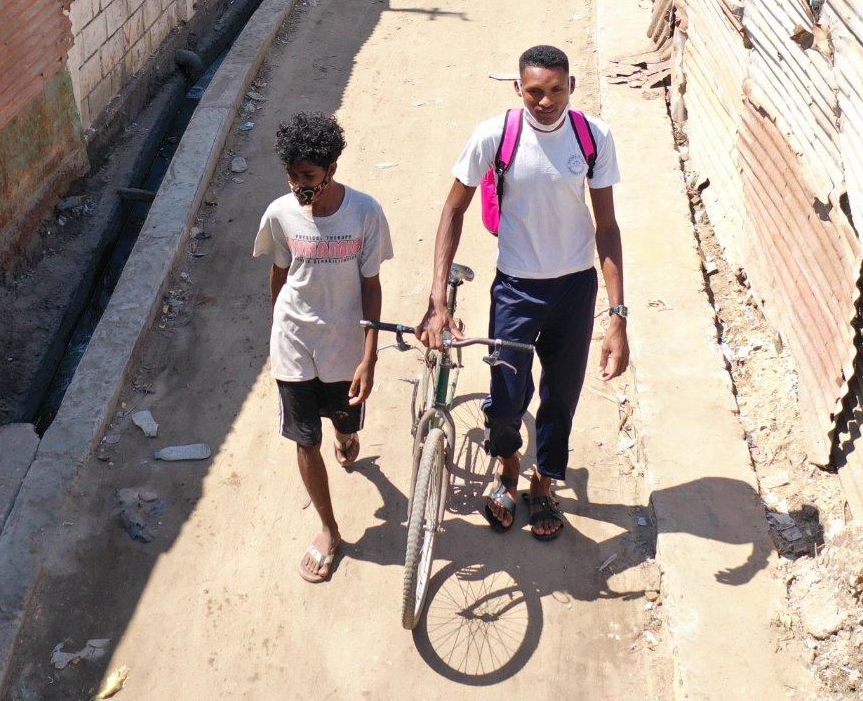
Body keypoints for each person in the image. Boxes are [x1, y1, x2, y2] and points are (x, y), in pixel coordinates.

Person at [420, 45, 629, 541]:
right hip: (515, 288)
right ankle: (508, 467)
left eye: (557, 90)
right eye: (534, 91)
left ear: (571, 87)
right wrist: (438, 299)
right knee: (508, 397)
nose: (546, 101)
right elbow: (453, 211)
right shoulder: (495, 135)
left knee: (561, 397)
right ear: (518, 89)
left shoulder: (593, 137)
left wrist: (616, 314)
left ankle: (543, 482)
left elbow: (607, 226)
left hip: (575, 289)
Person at [254, 112, 393, 583]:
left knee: (343, 421)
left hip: (345, 345)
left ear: (332, 167)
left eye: (308, 176)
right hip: (294, 343)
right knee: (303, 439)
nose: (298, 186)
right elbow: (279, 271)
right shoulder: (280, 213)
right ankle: (329, 529)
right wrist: (280, 325)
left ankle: (346, 433)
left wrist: (369, 354)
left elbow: (372, 285)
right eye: (291, 175)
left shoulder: (365, 213)